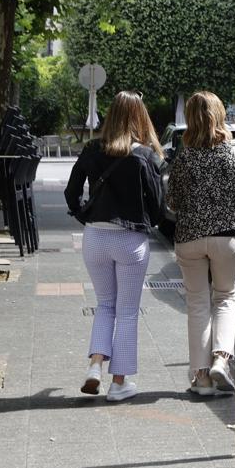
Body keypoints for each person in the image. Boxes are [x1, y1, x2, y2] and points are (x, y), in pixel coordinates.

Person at [64, 90, 165, 402]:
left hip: (94, 238)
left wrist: (87, 216)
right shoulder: (145, 155)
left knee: (104, 304)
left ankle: (95, 366)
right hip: (130, 241)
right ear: (140, 118)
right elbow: (158, 205)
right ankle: (119, 383)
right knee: (128, 311)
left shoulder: (93, 149)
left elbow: (71, 192)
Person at [166, 91, 235, 396]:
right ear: (220, 115)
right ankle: (222, 360)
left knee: (197, 304)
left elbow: (172, 203)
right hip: (227, 236)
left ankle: (201, 379)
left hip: (190, 238)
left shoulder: (183, 157)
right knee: (225, 298)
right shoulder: (234, 154)